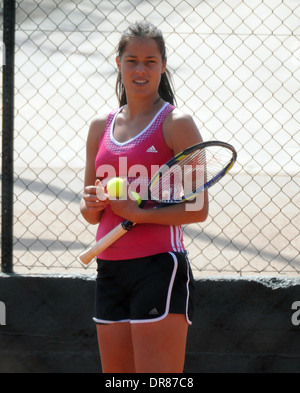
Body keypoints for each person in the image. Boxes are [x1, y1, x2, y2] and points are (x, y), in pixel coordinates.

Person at [80, 21, 208, 373]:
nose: (140, 69)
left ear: (163, 65)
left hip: (159, 268)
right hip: (109, 268)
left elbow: (198, 209)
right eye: (132, 60)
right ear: (118, 62)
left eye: (150, 61)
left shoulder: (179, 123)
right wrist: (91, 204)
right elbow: (91, 212)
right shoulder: (99, 127)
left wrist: (140, 213)